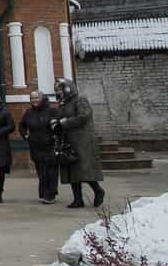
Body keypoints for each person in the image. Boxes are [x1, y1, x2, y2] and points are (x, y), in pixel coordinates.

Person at [52, 78, 105, 209]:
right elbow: (61, 117)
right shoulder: (63, 104)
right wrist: (55, 122)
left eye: (61, 88)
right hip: (68, 140)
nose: (59, 91)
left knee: (83, 169)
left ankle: (98, 190)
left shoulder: (80, 100)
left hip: (82, 140)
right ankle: (78, 199)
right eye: (57, 89)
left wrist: (65, 122)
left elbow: (84, 116)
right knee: (71, 169)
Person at [19, 91, 59, 204]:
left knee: (51, 171)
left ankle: (51, 194)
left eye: (36, 98)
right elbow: (22, 125)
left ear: (42, 98)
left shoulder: (51, 111)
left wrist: (55, 134)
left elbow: (58, 126)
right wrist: (25, 135)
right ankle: (44, 192)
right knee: (41, 171)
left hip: (50, 145)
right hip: (35, 146)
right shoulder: (29, 112)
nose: (34, 100)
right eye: (32, 98)